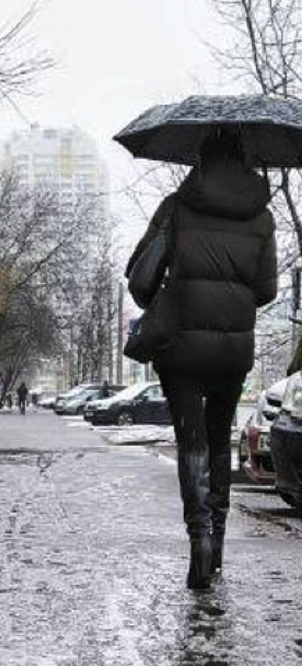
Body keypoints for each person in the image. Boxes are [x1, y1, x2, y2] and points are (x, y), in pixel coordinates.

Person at [126, 129, 277, 590]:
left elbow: (140, 281)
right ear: (243, 157)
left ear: (201, 156)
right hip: (232, 351)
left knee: (190, 442)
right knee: (218, 442)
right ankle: (220, 542)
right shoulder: (262, 216)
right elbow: (267, 289)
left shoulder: (177, 206)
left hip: (181, 349)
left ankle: (199, 541)